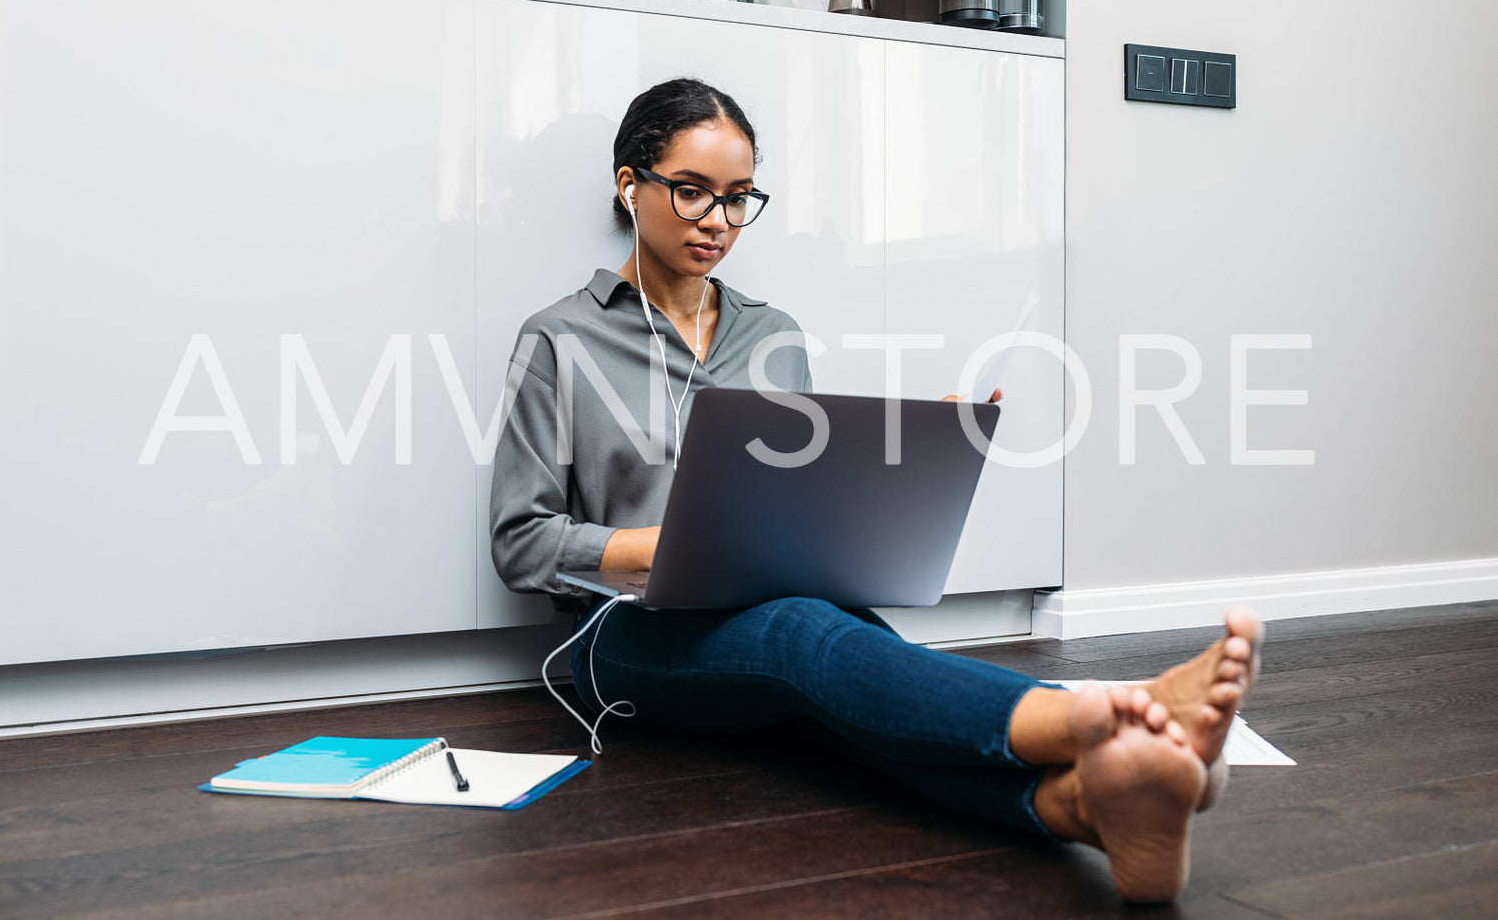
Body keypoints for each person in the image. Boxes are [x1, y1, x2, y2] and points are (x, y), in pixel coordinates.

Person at [489, 77, 1264, 903]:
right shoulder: (558, 337)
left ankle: (1089, 805)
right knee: (806, 642)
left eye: (737, 198)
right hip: (626, 641)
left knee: (851, 698)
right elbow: (521, 539)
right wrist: (670, 548)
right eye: (689, 193)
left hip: (767, 607)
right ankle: (1116, 714)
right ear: (628, 184)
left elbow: (797, 497)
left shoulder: (772, 335)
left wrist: (900, 456)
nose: (716, 221)